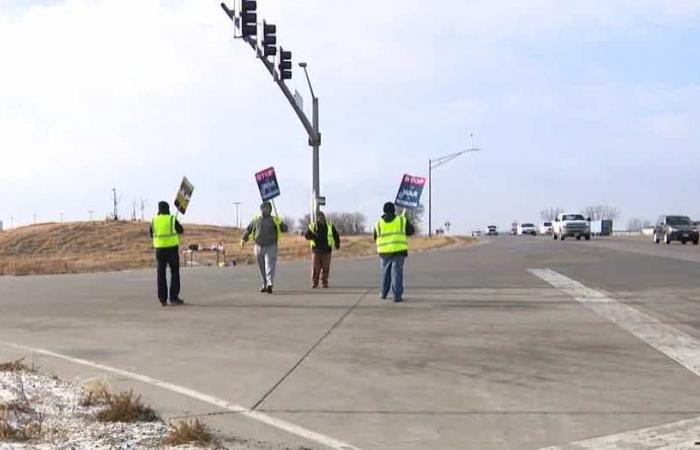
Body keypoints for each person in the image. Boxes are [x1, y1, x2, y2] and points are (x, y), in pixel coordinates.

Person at [241, 201, 288, 294]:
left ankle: (270, 284)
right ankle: (264, 284)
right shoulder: (256, 219)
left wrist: (281, 224)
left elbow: (285, 229)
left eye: (267, 208)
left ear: (270, 209)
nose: (265, 210)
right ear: (261, 209)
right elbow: (248, 230)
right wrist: (243, 239)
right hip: (258, 246)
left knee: (269, 266)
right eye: (264, 208)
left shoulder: (275, 219)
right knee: (261, 267)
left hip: (271, 246)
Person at [373, 202, 415, 302]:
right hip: (398, 251)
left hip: (384, 252)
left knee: (384, 273)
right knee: (396, 274)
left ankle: (383, 293)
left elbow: (375, 237)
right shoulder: (401, 220)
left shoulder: (378, 223)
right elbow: (411, 231)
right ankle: (397, 295)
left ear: (384, 211)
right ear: (394, 210)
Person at [150, 201, 184, 307]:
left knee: (161, 274)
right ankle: (173, 297)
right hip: (172, 249)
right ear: (167, 209)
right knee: (174, 273)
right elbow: (181, 230)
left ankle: (162, 299)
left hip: (159, 250)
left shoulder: (154, 220)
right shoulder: (172, 219)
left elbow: (151, 234)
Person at [304, 211, 341, 288]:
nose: (321, 218)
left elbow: (336, 235)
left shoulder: (329, 226)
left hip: (327, 251)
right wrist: (313, 235)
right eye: (319, 217)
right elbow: (307, 236)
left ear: (324, 217)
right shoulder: (313, 226)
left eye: (322, 216)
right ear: (317, 218)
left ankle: (324, 282)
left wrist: (337, 244)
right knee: (315, 268)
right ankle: (315, 283)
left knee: (326, 268)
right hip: (316, 251)